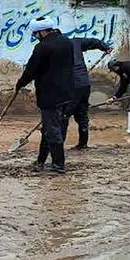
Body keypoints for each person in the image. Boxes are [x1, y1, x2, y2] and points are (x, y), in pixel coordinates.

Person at [16, 17, 76, 174]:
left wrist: (20, 83)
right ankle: (41, 160)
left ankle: (58, 166)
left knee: (52, 130)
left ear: (42, 31)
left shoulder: (42, 47)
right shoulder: (66, 42)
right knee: (54, 128)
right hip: (68, 93)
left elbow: (31, 70)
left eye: (36, 33)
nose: (36, 36)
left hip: (50, 95)